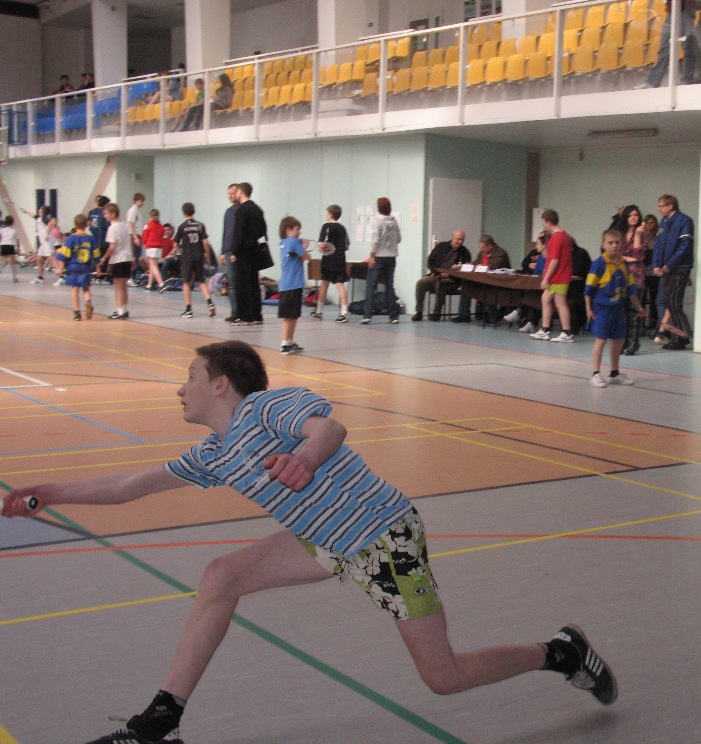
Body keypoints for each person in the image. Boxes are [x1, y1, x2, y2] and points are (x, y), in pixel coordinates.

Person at [1, 340, 618, 744]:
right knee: (222, 575)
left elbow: (329, 427)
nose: (180, 388)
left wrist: (304, 458)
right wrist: (46, 492)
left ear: (222, 385)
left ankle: (561, 653)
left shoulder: (268, 409)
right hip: (326, 541)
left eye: (189, 377)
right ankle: (161, 721)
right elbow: (130, 486)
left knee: (444, 676)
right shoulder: (214, 452)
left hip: (385, 539)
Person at [586, 229, 648, 387]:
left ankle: (614, 373)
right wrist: (589, 309)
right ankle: (595, 373)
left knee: (618, 340)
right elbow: (588, 290)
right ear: (603, 245)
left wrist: (639, 307)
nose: (614, 245)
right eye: (610, 243)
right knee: (601, 340)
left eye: (617, 242)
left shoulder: (624, 264)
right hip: (602, 309)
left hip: (618, 308)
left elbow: (631, 288)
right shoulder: (599, 264)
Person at [650, 194, 695, 350]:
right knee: (668, 303)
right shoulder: (664, 222)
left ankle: (682, 336)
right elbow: (658, 245)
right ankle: (678, 336)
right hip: (666, 269)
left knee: (674, 302)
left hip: (680, 268)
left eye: (661, 205)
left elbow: (684, 246)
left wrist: (669, 264)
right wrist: (656, 264)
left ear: (670, 206)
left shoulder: (684, 221)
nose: (659, 209)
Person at [530, 210, 575, 342]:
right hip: (557, 276)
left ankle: (567, 332)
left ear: (548, 222)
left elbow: (554, 260)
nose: (543, 226)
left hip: (559, 276)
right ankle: (545, 329)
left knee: (560, 303)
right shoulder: (565, 235)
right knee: (545, 299)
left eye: (544, 223)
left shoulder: (556, 237)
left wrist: (545, 278)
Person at [411, 229, 471, 322]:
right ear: (452, 237)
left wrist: (452, 272)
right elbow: (430, 261)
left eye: (462, 240)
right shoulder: (441, 246)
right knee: (421, 283)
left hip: (452, 279)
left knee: (439, 283)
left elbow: (466, 269)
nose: (460, 242)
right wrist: (436, 272)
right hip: (436, 274)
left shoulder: (465, 252)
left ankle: (436, 312)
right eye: (458, 239)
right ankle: (419, 312)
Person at [613, 205, 649, 355]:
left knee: (636, 308)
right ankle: (625, 340)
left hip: (637, 274)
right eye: (630, 215)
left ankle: (635, 342)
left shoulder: (643, 234)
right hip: (622, 273)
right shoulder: (619, 234)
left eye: (636, 215)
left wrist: (638, 235)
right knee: (624, 310)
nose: (633, 218)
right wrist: (628, 258)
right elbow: (616, 254)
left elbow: (638, 255)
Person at [231, 182, 267, 326]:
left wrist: (234, 251)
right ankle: (257, 315)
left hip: (243, 251)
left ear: (241, 191)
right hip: (255, 250)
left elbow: (238, 233)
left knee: (242, 284)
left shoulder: (241, 210)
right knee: (253, 283)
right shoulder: (257, 209)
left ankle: (245, 316)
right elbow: (263, 231)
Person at [361, 196, 401, 325]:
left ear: (379, 208)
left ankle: (367, 315)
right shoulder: (394, 221)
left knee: (371, 286)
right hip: (392, 257)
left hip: (379, 256)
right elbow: (399, 239)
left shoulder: (377, 221)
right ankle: (393, 316)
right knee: (389, 286)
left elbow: (375, 240)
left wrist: (372, 255)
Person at [453, 234, 510, 323]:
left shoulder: (500, 253)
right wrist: (467, 265)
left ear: (490, 246)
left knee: (487, 290)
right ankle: (464, 315)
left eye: (483, 248)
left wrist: (482, 266)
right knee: (466, 284)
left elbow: (494, 265)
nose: (481, 250)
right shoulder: (482, 253)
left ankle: (492, 316)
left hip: (497, 282)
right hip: (483, 280)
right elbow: (476, 262)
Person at [174, 203, 217, 319]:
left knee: (186, 282)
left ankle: (188, 309)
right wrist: (207, 256)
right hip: (199, 256)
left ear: (183, 212)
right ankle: (210, 303)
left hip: (187, 257)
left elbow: (175, 244)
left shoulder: (182, 227)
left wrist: (176, 253)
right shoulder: (200, 225)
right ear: (194, 211)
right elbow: (206, 242)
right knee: (201, 281)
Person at [53, 214, 98, 320]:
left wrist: (60, 268)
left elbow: (64, 255)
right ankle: (88, 301)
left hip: (73, 267)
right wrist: (98, 268)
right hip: (86, 267)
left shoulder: (71, 238)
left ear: (75, 225)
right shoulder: (91, 238)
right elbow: (96, 254)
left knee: (75, 289)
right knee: (86, 288)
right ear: (86, 225)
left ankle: (77, 312)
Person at [310, 205, 350, 323]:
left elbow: (322, 244)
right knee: (340, 284)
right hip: (340, 260)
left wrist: (323, 248)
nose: (326, 215)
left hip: (328, 260)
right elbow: (347, 246)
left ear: (330, 214)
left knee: (324, 284)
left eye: (327, 213)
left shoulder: (326, 226)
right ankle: (344, 313)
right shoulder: (342, 228)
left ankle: (319, 311)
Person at [278, 216, 311, 353]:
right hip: (291, 284)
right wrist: (305, 246)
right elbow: (307, 257)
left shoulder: (284, 243)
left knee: (293, 315)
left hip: (291, 284)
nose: (299, 232)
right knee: (289, 316)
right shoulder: (292, 242)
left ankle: (290, 341)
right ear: (288, 230)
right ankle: (284, 344)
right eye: (297, 229)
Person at [100, 203, 133, 319]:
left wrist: (104, 258)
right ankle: (124, 308)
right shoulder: (125, 225)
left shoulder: (112, 228)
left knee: (118, 286)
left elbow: (112, 246)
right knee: (124, 285)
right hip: (127, 258)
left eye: (106, 213)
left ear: (113, 214)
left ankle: (120, 311)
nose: (105, 216)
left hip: (118, 259)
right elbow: (129, 243)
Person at [220, 183, 241, 322]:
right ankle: (235, 311)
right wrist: (223, 251)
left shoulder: (242, 210)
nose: (230, 196)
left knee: (239, 282)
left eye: (232, 193)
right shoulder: (228, 212)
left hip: (238, 251)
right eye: (228, 194)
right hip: (228, 251)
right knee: (231, 282)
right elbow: (226, 231)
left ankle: (241, 311)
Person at [141, 208, 167, 291]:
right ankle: (149, 285)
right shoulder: (161, 227)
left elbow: (144, 237)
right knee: (153, 266)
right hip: (159, 248)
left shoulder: (147, 225)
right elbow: (163, 238)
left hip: (151, 247)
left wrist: (145, 244)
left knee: (153, 266)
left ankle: (161, 284)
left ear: (151, 216)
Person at [0, 215, 18, 282]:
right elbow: (17, 240)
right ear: (12, 222)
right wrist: (18, 248)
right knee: (12, 263)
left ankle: (1, 267)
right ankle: (14, 277)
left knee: (2, 260)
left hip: (3, 245)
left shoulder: (2, 229)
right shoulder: (14, 230)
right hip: (11, 245)